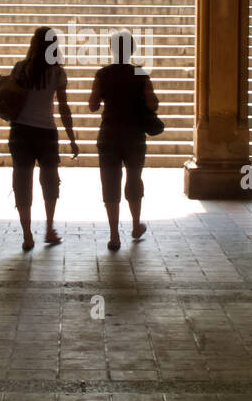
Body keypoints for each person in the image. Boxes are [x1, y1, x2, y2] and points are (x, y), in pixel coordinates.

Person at [8, 26, 79, 251]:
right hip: (46, 132)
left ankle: (27, 234)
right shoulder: (57, 72)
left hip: (20, 130)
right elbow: (64, 107)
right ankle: (49, 228)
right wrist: (71, 137)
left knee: (22, 181)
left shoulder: (20, 69)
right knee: (49, 181)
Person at [88, 30, 155, 251]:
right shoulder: (140, 74)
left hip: (109, 134)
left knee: (110, 183)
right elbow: (153, 104)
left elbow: (93, 105)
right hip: (134, 135)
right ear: (132, 49)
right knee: (134, 178)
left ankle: (114, 234)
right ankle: (136, 225)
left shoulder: (102, 74)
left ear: (111, 49)